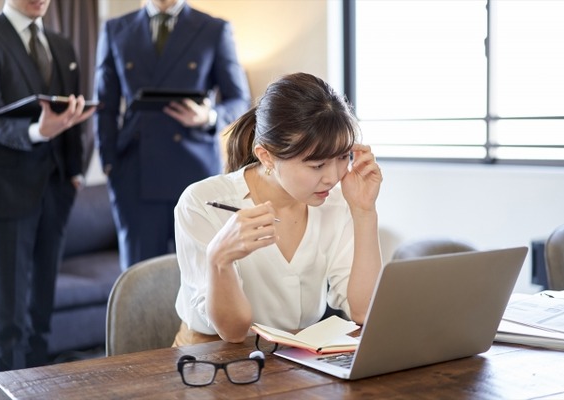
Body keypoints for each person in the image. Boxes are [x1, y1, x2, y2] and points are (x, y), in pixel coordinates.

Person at [173, 72, 383, 345]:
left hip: (299, 353)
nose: (333, 177)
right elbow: (233, 332)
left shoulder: (336, 199)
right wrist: (219, 260)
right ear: (266, 156)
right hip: (213, 354)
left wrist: (365, 211)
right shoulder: (202, 202)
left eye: (343, 157)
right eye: (317, 165)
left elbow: (364, 310)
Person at [94, 0, 251, 271]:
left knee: (201, 272)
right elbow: (104, 107)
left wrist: (209, 116)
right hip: (135, 171)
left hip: (195, 169)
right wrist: (110, 165)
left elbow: (239, 99)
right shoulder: (115, 29)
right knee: (139, 277)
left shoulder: (213, 28)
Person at [0, 0, 95, 371]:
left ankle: (40, 385)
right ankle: (6, 387)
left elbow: (73, 118)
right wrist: (36, 131)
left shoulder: (63, 45)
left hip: (57, 190)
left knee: (42, 308)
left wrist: (75, 172)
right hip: (7, 191)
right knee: (8, 314)